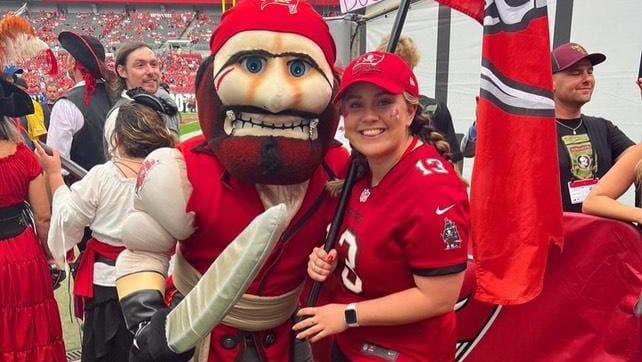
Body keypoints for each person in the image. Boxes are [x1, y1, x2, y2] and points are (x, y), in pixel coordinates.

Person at [114, 1, 349, 360]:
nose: (275, 96)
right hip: (201, 334)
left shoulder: (337, 166)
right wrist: (146, 320)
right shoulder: (183, 168)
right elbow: (144, 250)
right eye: (252, 66)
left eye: (298, 69)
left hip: (290, 335)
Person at [293, 51, 469, 361]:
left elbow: (438, 298)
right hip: (352, 345)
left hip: (404, 352)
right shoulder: (359, 167)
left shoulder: (434, 191)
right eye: (356, 105)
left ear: (411, 111)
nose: (369, 116)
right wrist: (329, 260)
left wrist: (347, 314)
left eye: (384, 102)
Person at [35, 101, 176, 362]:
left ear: (118, 138)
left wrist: (54, 176)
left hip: (110, 287)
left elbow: (68, 222)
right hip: (159, 280)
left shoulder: (103, 176)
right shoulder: (173, 172)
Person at [0, 76, 66, 361]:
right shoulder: (23, 156)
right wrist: (53, 259)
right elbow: (43, 216)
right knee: (32, 332)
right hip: (21, 255)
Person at [551, 42, 635, 212]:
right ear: (549, 81)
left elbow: (636, 163)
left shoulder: (603, 128)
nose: (587, 79)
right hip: (551, 235)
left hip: (598, 234)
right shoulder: (533, 130)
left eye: (590, 72)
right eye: (576, 73)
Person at [376, 36, 464, 171]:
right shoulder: (372, 112)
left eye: (402, 67)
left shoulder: (435, 109)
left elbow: (453, 167)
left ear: (412, 67)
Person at [46, 31, 114, 171]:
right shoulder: (118, 96)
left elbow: (57, 163)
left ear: (73, 63)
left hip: (82, 188)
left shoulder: (66, 105)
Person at [103, 42, 179, 156]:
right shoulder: (121, 114)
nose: (150, 72)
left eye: (154, 64)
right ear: (122, 71)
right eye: (140, 65)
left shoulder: (151, 106)